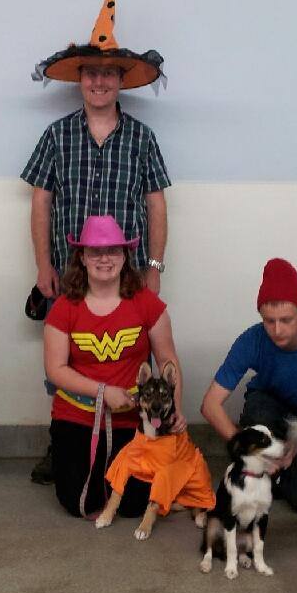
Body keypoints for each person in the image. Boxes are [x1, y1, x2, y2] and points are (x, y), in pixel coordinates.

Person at [23, 0, 172, 483]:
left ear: (121, 81)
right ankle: (63, 438)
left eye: (109, 74)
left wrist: (154, 266)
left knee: (129, 350)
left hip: (127, 273)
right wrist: (43, 264)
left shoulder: (142, 138)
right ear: (80, 80)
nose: (100, 82)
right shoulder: (57, 135)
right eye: (91, 73)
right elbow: (41, 200)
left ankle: (139, 436)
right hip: (70, 272)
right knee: (66, 355)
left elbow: (156, 204)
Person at [43, 215, 185, 517]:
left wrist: (175, 409)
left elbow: (168, 360)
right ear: (82, 257)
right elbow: (55, 370)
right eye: (95, 251)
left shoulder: (147, 303)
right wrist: (103, 391)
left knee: (134, 505)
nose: (105, 258)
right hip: (76, 416)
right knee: (80, 502)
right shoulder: (64, 308)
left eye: (113, 251)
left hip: (134, 419)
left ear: (125, 256)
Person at [200, 258, 297, 514]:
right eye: (269, 321)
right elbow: (210, 404)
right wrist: (241, 446)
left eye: (286, 320)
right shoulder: (252, 339)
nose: (277, 330)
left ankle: (277, 475)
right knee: (259, 407)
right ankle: (267, 469)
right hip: (268, 414)